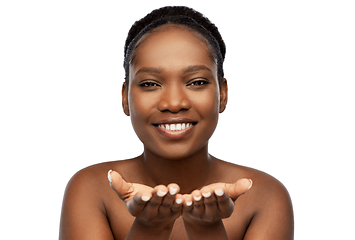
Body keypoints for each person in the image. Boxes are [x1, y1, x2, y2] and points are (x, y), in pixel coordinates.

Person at [59, 6, 294, 240]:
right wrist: (149, 227)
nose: (173, 103)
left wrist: (206, 229)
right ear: (125, 98)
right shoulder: (92, 189)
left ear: (222, 94)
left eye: (197, 82)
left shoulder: (264, 196)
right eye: (150, 84)